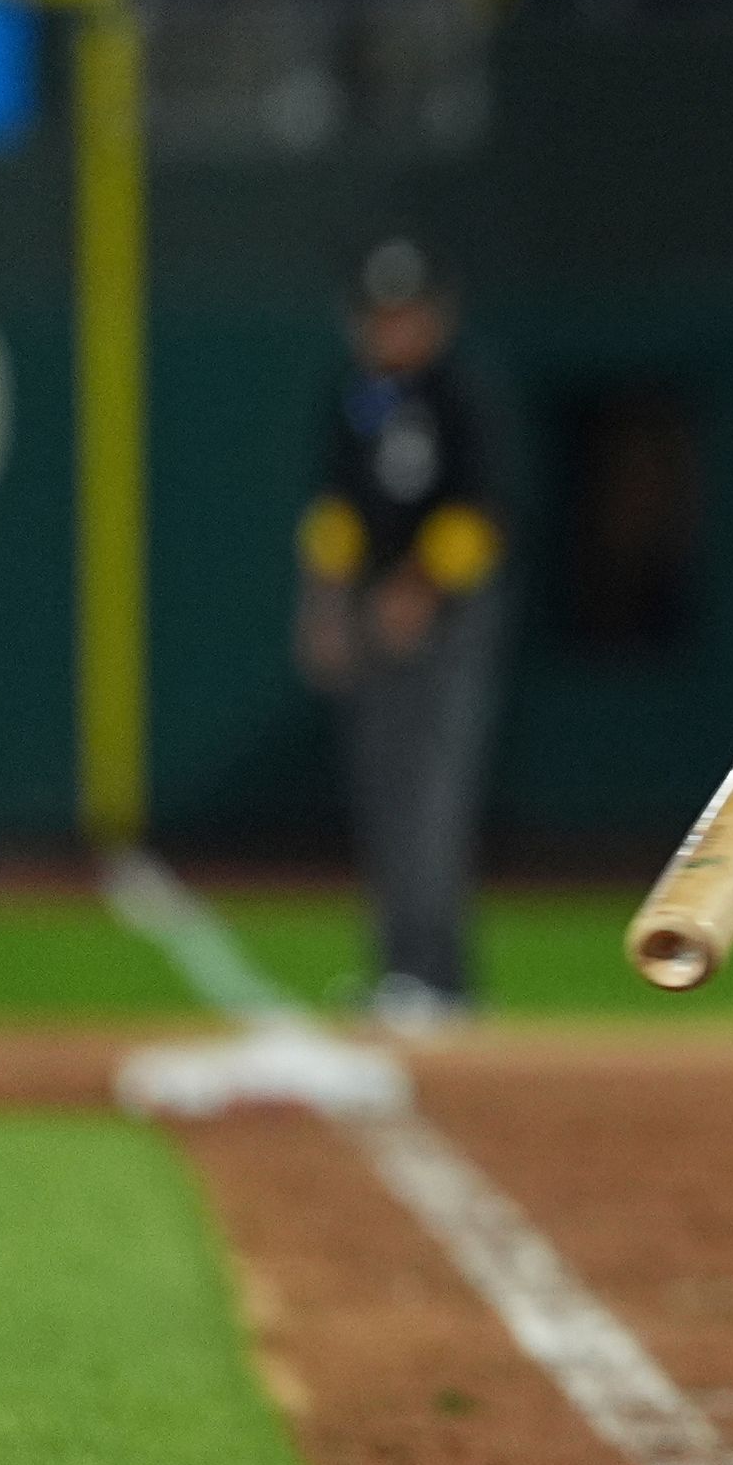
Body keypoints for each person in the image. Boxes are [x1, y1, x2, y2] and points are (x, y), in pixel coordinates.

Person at [296, 238, 507, 1029]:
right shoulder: (352, 394)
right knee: (383, 793)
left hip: (449, 619)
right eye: (380, 315)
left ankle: (441, 977)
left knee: (431, 797)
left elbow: (483, 514)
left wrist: (419, 589)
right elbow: (336, 515)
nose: (392, 329)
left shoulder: (460, 394)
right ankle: (399, 971)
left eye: (406, 313)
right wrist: (325, 606)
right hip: (373, 614)